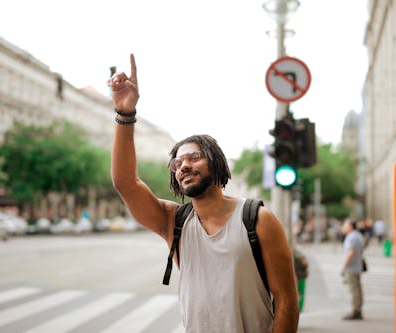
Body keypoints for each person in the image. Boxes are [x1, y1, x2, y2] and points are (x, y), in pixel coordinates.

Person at [108, 54, 299, 333]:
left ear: (217, 163)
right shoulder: (174, 222)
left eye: (194, 157)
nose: (183, 165)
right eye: (177, 163)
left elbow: (286, 302)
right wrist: (125, 114)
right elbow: (125, 183)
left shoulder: (258, 221)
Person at [341, 220, 366, 320]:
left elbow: (350, 252)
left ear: (350, 226)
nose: (343, 227)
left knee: (353, 289)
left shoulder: (351, 237)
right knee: (358, 289)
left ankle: (356, 311)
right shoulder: (359, 235)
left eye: (345, 225)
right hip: (358, 265)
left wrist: (344, 266)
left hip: (351, 267)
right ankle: (358, 309)